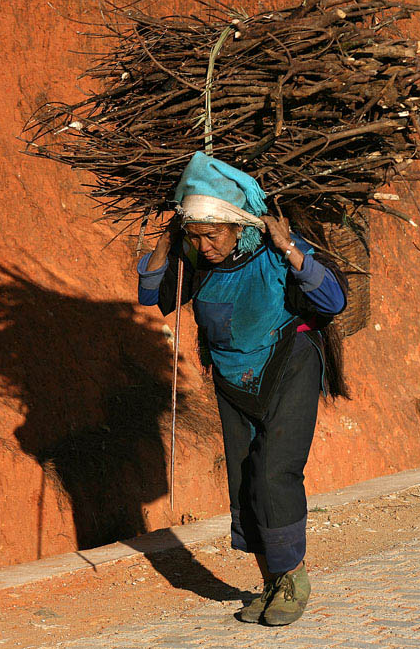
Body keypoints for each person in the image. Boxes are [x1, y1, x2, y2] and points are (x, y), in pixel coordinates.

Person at [137, 151, 348, 626]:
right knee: (245, 482)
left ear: (238, 225)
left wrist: (289, 244)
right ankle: (272, 582)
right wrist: (171, 243)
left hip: (288, 366)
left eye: (212, 234)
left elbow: (332, 300)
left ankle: (294, 579)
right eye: (198, 235)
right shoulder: (196, 258)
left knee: (275, 472)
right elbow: (153, 295)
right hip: (232, 380)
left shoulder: (273, 252)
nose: (206, 244)